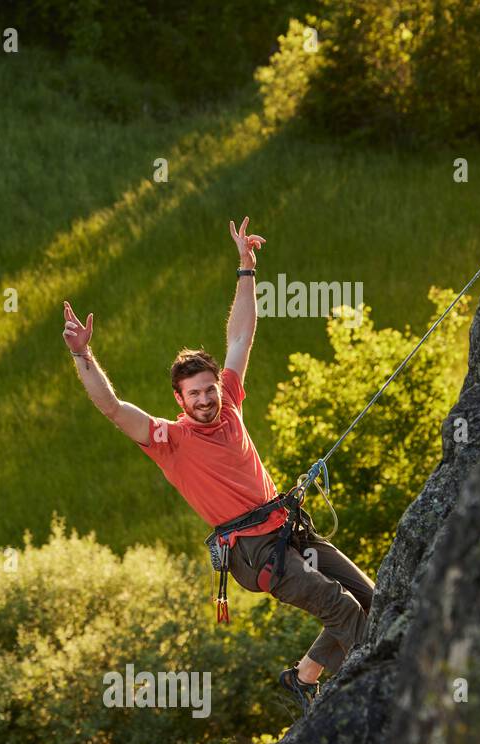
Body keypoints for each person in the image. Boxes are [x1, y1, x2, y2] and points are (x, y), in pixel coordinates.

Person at [62, 216, 374, 718]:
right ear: (179, 399)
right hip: (255, 554)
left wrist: (245, 269)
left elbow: (240, 337)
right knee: (340, 607)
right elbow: (114, 410)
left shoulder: (230, 405)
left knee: (368, 597)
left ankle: (304, 676)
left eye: (210, 389)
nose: (207, 399)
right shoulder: (172, 440)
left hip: (289, 531)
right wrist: (84, 355)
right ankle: (383, 690)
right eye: (196, 393)